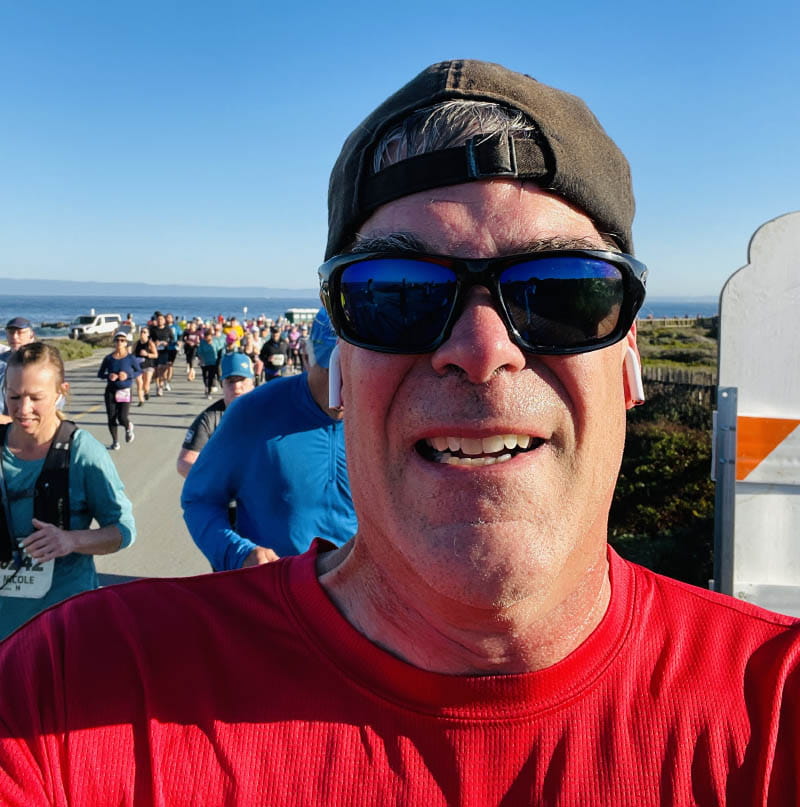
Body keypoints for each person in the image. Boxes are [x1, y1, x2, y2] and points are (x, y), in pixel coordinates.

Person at [1, 60, 798, 806]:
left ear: (629, 360)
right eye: (396, 293)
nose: (483, 351)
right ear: (338, 366)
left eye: (561, 292)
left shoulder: (775, 710)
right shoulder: (76, 695)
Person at [181, 309, 355, 570]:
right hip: (276, 590)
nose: (343, 388)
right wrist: (240, 554)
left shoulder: (390, 418)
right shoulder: (253, 412)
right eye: (332, 372)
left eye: (356, 371)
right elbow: (199, 499)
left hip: (363, 593)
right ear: (306, 358)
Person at [0, 342, 135, 640]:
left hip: (64, 625)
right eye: (13, 396)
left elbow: (123, 530)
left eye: (36, 397)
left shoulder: (82, 451)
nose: (23, 409)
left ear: (61, 391)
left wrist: (70, 540)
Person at [176, 352, 255, 478]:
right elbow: (184, 463)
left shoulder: (269, 411)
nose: (237, 388)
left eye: (242, 380)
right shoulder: (209, 419)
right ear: (221, 384)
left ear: (253, 383)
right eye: (230, 381)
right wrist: (218, 480)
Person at [97, 331, 141, 450]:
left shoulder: (130, 358)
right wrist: (109, 376)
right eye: (117, 340)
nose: (119, 342)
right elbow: (100, 374)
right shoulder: (109, 358)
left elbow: (139, 371)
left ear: (126, 343)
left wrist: (127, 375)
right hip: (111, 390)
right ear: (114, 342)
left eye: (122, 340)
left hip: (124, 390)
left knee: (122, 417)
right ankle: (115, 441)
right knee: (111, 417)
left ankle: (128, 427)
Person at [0, 318, 36, 416]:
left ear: (31, 335)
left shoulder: (41, 361)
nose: (15, 337)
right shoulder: (1, 361)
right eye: (11, 333)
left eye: (20, 332)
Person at [132, 325, 158, 404]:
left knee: (146, 385)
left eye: (144, 332)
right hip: (138, 366)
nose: (142, 333)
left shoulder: (150, 344)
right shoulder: (136, 343)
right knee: (139, 384)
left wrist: (147, 354)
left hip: (148, 365)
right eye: (141, 332)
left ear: (148, 334)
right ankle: (141, 400)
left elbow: (156, 355)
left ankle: (146, 392)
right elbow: (132, 353)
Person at [196, 329, 219, 398]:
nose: (208, 338)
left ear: (212, 337)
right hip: (204, 361)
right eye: (206, 337)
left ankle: (209, 391)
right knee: (205, 376)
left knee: (211, 377)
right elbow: (199, 352)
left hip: (213, 361)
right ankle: (206, 387)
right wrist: (201, 360)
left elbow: (219, 350)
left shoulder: (215, 342)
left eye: (209, 337)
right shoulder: (202, 342)